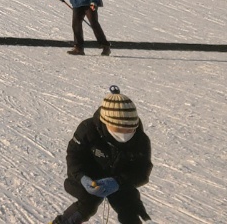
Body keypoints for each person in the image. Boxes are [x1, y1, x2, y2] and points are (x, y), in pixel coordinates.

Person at [50, 86, 152, 224]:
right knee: (88, 203)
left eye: (130, 129)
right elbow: (74, 156)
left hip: (120, 178)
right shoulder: (88, 129)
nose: (125, 133)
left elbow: (142, 171)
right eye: (119, 128)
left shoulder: (140, 139)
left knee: (129, 205)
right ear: (106, 123)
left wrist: (118, 182)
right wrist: (81, 177)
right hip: (90, 176)